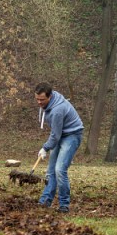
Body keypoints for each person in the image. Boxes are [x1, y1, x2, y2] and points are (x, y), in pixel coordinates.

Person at [35, 82, 84, 213]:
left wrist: (45, 148)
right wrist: (47, 147)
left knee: (60, 170)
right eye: (37, 99)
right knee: (51, 171)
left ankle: (64, 205)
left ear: (50, 97)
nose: (39, 102)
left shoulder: (57, 110)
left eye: (42, 99)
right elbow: (56, 134)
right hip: (61, 134)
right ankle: (45, 201)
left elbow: (55, 135)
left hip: (72, 135)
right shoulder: (47, 104)